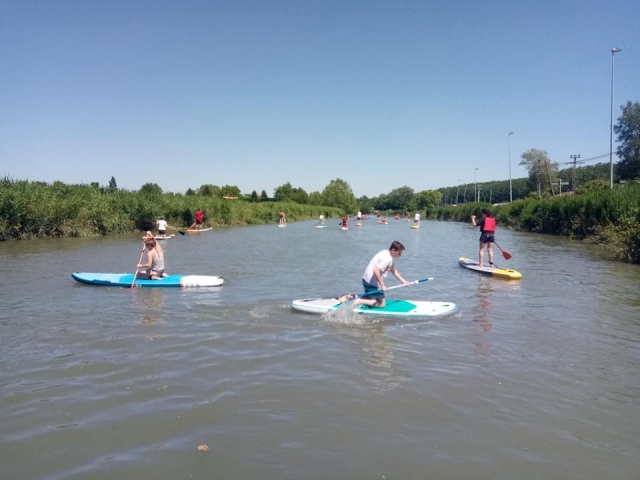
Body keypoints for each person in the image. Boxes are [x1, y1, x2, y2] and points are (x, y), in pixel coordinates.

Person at [353, 241, 410, 308]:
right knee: (381, 304)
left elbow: (393, 270)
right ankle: (358, 301)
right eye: (399, 253)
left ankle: (351, 297)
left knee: (367, 298)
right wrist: (382, 285)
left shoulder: (385, 252)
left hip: (365, 279)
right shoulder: (387, 259)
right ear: (393, 250)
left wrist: (403, 281)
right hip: (372, 283)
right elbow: (376, 271)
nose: (400, 255)